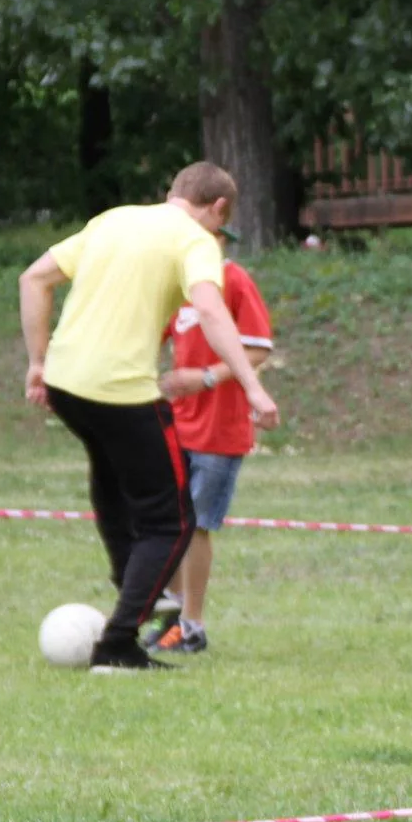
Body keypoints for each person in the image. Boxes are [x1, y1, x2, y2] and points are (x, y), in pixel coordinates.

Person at [19, 162, 280, 669]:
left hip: (68, 385)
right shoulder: (196, 240)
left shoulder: (112, 220)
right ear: (218, 208)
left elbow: (35, 278)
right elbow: (209, 308)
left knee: (114, 485)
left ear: (172, 191)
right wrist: (252, 387)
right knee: (174, 521)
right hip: (122, 391)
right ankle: (118, 645)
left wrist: (36, 362)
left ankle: (140, 587)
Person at [142, 232, 276, 655]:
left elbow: (257, 349)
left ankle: (192, 627)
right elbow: (146, 340)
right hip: (177, 423)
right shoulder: (176, 289)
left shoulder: (233, 280)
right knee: (166, 519)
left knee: (195, 524)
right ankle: (172, 619)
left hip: (221, 429)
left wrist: (203, 379)